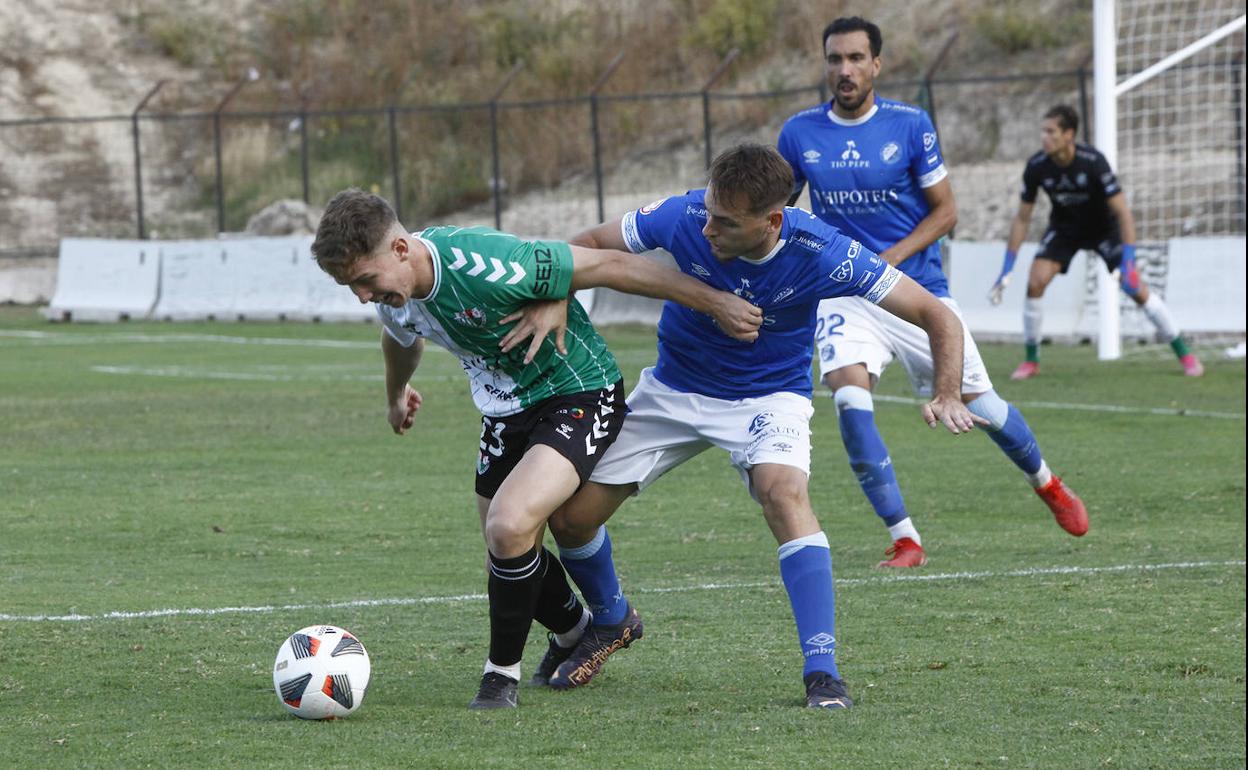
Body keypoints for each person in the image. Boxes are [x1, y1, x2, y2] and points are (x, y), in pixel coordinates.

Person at [516, 143, 981, 710]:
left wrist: (948, 390)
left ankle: (823, 673)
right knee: (570, 516)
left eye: (726, 222)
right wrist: (554, 299)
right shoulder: (684, 215)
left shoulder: (824, 251)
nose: (708, 228)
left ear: (773, 220)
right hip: (671, 391)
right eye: (709, 211)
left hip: (769, 399)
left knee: (783, 494)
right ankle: (612, 620)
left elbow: (935, 312)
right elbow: (584, 246)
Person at [310, 188, 762, 710]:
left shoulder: (490, 264)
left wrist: (718, 303)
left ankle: (500, 676)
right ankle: (578, 631)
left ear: (401, 249)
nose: (363, 297)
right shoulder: (397, 294)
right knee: (503, 548)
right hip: (506, 408)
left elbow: (614, 265)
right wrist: (394, 396)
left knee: (508, 525)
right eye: (352, 288)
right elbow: (401, 338)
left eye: (366, 281)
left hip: (578, 392)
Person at [776, 16, 1089, 570]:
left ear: (876, 64)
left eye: (854, 58)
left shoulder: (910, 124)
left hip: (918, 290)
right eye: (834, 60)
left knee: (984, 406)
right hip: (846, 294)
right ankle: (905, 539)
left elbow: (947, 211)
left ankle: (1046, 483)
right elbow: (776, 214)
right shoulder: (799, 134)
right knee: (850, 402)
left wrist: (888, 261)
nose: (843, 70)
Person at [992, 104, 1204, 379]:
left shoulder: (1093, 162)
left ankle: (1185, 354)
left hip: (1104, 230)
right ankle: (1031, 360)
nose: (1044, 137)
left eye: (1050, 131)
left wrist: (1128, 260)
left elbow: (1123, 213)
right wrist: (1007, 266)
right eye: (1043, 131)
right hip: (1065, 229)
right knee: (1035, 282)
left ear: (1069, 134)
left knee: (1134, 286)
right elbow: (1022, 218)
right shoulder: (1036, 166)